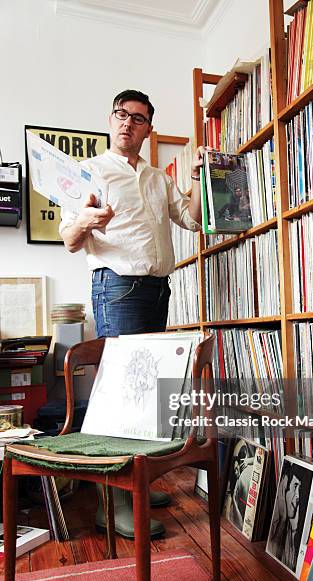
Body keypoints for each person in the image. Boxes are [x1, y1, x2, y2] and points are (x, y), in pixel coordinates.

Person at [59, 89, 204, 539]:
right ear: (111, 119)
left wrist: (197, 177)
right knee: (121, 393)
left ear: (147, 129)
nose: (128, 123)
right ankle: (112, 502)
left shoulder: (160, 179)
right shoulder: (90, 173)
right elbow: (69, 237)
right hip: (117, 287)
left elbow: (195, 220)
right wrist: (88, 222)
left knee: (148, 394)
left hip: (158, 289)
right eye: (122, 115)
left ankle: (138, 482)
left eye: (138, 119)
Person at [269, 462, 303, 572]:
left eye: (300, 489)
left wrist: (294, 529)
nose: (297, 496)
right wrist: (283, 519)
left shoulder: (296, 528)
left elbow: (294, 566)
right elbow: (272, 551)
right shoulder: (277, 523)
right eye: (295, 486)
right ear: (284, 491)